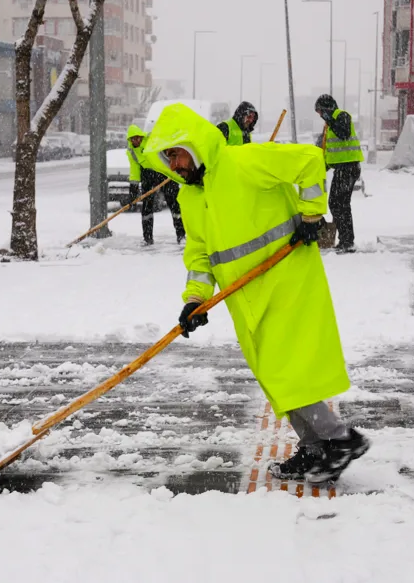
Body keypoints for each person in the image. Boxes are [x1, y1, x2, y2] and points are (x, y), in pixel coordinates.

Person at [141, 102, 368, 483]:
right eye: (167, 158)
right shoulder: (189, 197)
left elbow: (310, 161)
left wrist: (312, 214)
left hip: (286, 279)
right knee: (273, 374)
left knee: (287, 369)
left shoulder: (243, 162)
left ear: (194, 146)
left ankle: (338, 438)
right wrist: (195, 299)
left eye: (177, 153)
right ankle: (316, 448)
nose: (174, 164)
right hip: (243, 297)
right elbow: (200, 254)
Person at [315, 94, 361, 253]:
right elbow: (330, 151)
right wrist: (321, 168)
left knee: (337, 203)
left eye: (320, 112)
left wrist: (330, 119)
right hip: (342, 168)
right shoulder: (329, 125)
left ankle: (347, 241)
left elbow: (344, 133)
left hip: (348, 168)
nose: (320, 116)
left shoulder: (342, 116)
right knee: (340, 204)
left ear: (327, 108)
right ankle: (346, 240)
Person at [126, 124, 185, 246]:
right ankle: (147, 238)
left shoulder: (152, 140)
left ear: (141, 136)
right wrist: (133, 189)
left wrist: (173, 168)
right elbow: (134, 170)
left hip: (163, 173)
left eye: (138, 137)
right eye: (133, 139)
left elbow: (167, 149)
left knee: (174, 204)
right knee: (147, 207)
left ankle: (181, 235)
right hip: (147, 175)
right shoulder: (131, 151)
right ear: (130, 140)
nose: (136, 140)